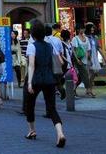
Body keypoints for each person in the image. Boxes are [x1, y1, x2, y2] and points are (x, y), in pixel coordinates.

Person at [23, 20, 66, 148]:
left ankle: (32, 130)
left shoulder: (32, 46)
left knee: (29, 106)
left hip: (36, 79)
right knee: (51, 108)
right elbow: (58, 60)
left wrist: (29, 82)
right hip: (49, 79)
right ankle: (60, 133)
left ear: (33, 34)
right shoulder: (49, 46)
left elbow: (31, 65)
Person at [72, 25, 94, 97]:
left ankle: (73, 89)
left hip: (85, 59)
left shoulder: (86, 38)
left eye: (83, 28)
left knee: (80, 77)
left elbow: (88, 49)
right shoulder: (75, 38)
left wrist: (89, 59)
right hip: (79, 60)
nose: (82, 30)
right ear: (78, 30)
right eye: (81, 28)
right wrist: (77, 59)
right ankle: (89, 90)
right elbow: (74, 50)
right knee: (85, 75)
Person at [45, 25, 66, 99]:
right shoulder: (57, 39)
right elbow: (61, 51)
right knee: (56, 76)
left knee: (49, 77)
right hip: (57, 59)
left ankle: (56, 90)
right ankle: (60, 88)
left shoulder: (44, 40)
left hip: (48, 60)